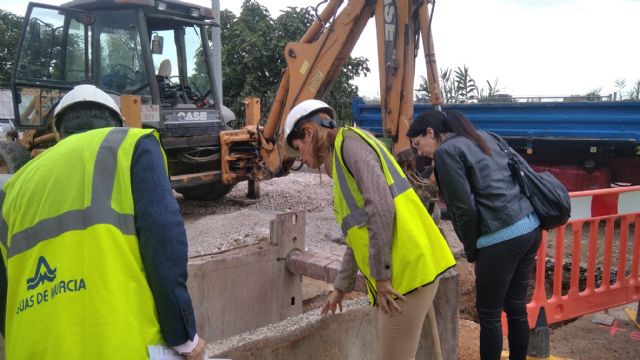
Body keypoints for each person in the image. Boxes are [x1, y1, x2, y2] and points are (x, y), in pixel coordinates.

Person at [0, 84, 206, 359]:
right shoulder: (133, 146)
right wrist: (184, 337)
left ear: (58, 132)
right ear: (116, 122)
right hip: (119, 346)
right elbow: (164, 247)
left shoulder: (12, 189)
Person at [284, 99, 456, 360]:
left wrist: (382, 277)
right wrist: (341, 287)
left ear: (308, 132)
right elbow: (358, 234)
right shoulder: (343, 155)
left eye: (299, 150)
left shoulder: (349, 144)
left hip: (405, 275)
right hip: (406, 272)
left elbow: (380, 207)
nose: (304, 160)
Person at [407, 110, 542, 360]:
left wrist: (472, 251)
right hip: (530, 228)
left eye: (417, 144)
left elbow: (463, 209)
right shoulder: (484, 136)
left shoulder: (446, 152)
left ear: (430, 132)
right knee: (516, 308)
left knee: (489, 315)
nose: (418, 152)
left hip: (501, 236)